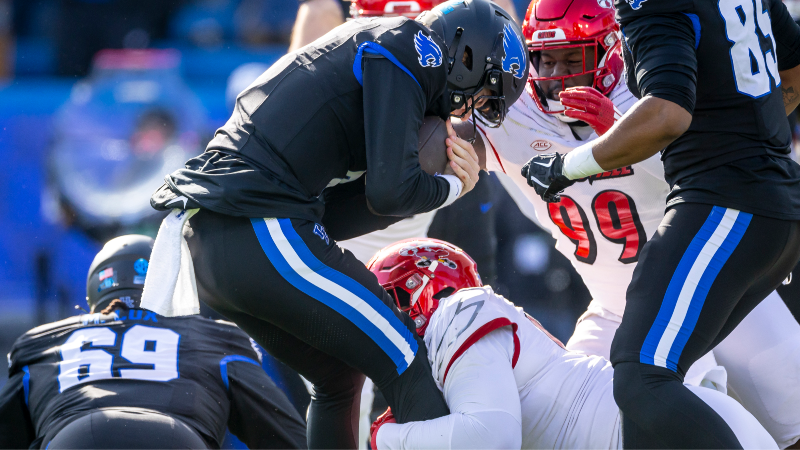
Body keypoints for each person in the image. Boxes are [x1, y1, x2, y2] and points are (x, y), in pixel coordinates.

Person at [141, 1, 529, 448]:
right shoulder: (410, 45)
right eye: (480, 93)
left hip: (219, 235)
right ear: (467, 56)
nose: (470, 108)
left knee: (339, 378)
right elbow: (390, 192)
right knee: (403, 357)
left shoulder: (379, 49)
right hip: (255, 223)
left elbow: (348, 210)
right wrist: (452, 188)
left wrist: (421, 182)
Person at [461, 0, 800, 446]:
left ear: (609, 52)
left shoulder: (648, 86)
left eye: (573, 57)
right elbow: (445, 150)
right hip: (614, 304)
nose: (557, 72)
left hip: (712, 275)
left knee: (789, 420)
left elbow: (692, 154)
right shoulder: (513, 109)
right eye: (546, 58)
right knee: (571, 430)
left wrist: (618, 133)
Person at [365, 238, 777, 450]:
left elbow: (491, 438)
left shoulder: (460, 310)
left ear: (421, 291)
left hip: (665, 433)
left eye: (389, 303)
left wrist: (382, 438)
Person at [0, 235, 307, 449]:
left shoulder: (42, 342)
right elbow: (286, 437)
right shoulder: (216, 336)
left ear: (94, 290)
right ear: (175, 284)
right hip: (175, 438)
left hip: (75, 437)